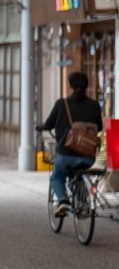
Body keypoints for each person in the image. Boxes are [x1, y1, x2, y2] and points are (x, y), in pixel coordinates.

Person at [37, 71, 103, 217]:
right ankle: (83, 200)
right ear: (87, 86)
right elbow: (100, 127)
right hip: (88, 157)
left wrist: (40, 127)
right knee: (80, 172)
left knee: (57, 177)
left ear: (71, 86)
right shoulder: (94, 105)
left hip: (66, 155)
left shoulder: (62, 104)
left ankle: (62, 201)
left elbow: (49, 124)